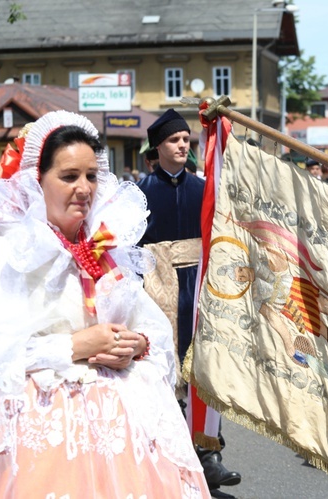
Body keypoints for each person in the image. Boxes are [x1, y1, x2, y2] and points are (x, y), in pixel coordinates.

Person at [0, 110, 209, 497]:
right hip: (43, 421)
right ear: (37, 181)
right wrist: (75, 346)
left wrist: (136, 344)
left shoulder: (107, 245)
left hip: (124, 424)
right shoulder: (18, 246)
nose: (84, 188)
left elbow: (149, 324)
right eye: (69, 176)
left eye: (91, 176)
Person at [137, 108, 241, 491]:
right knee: (164, 370)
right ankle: (167, 455)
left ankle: (208, 454)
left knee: (204, 366)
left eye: (185, 139)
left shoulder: (204, 188)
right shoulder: (140, 192)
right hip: (156, 286)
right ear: (158, 147)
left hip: (199, 284)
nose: (182, 145)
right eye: (173, 140)